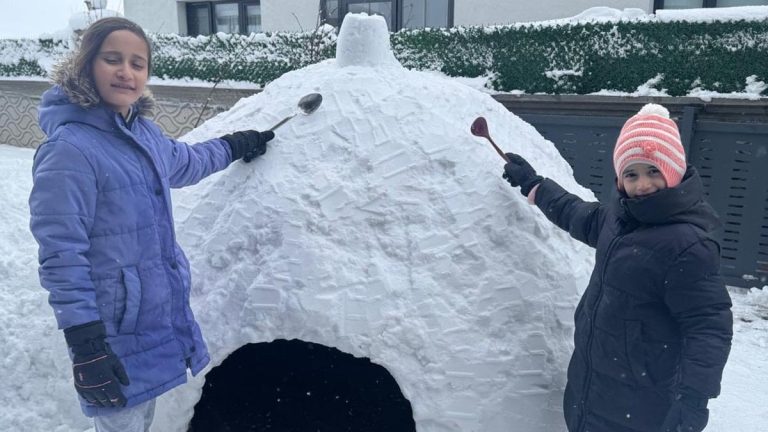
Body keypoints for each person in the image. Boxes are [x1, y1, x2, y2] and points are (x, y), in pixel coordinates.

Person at [28, 17, 274, 432]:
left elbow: (188, 162)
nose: (126, 72)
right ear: (86, 65)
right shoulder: (68, 150)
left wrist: (236, 144)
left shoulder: (143, 135)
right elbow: (60, 254)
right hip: (109, 331)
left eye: (137, 63)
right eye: (112, 59)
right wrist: (86, 344)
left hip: (151, 318)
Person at [501, 103, 732, 432]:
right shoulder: (616, 219)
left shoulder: (688, 245)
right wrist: (534, 185)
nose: (643, 185)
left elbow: (709, 327)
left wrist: (694, 400)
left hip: (641, 401)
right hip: (591, 383)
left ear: (675, 172)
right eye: (631, 173)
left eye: (654, 171)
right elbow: (574, 212)